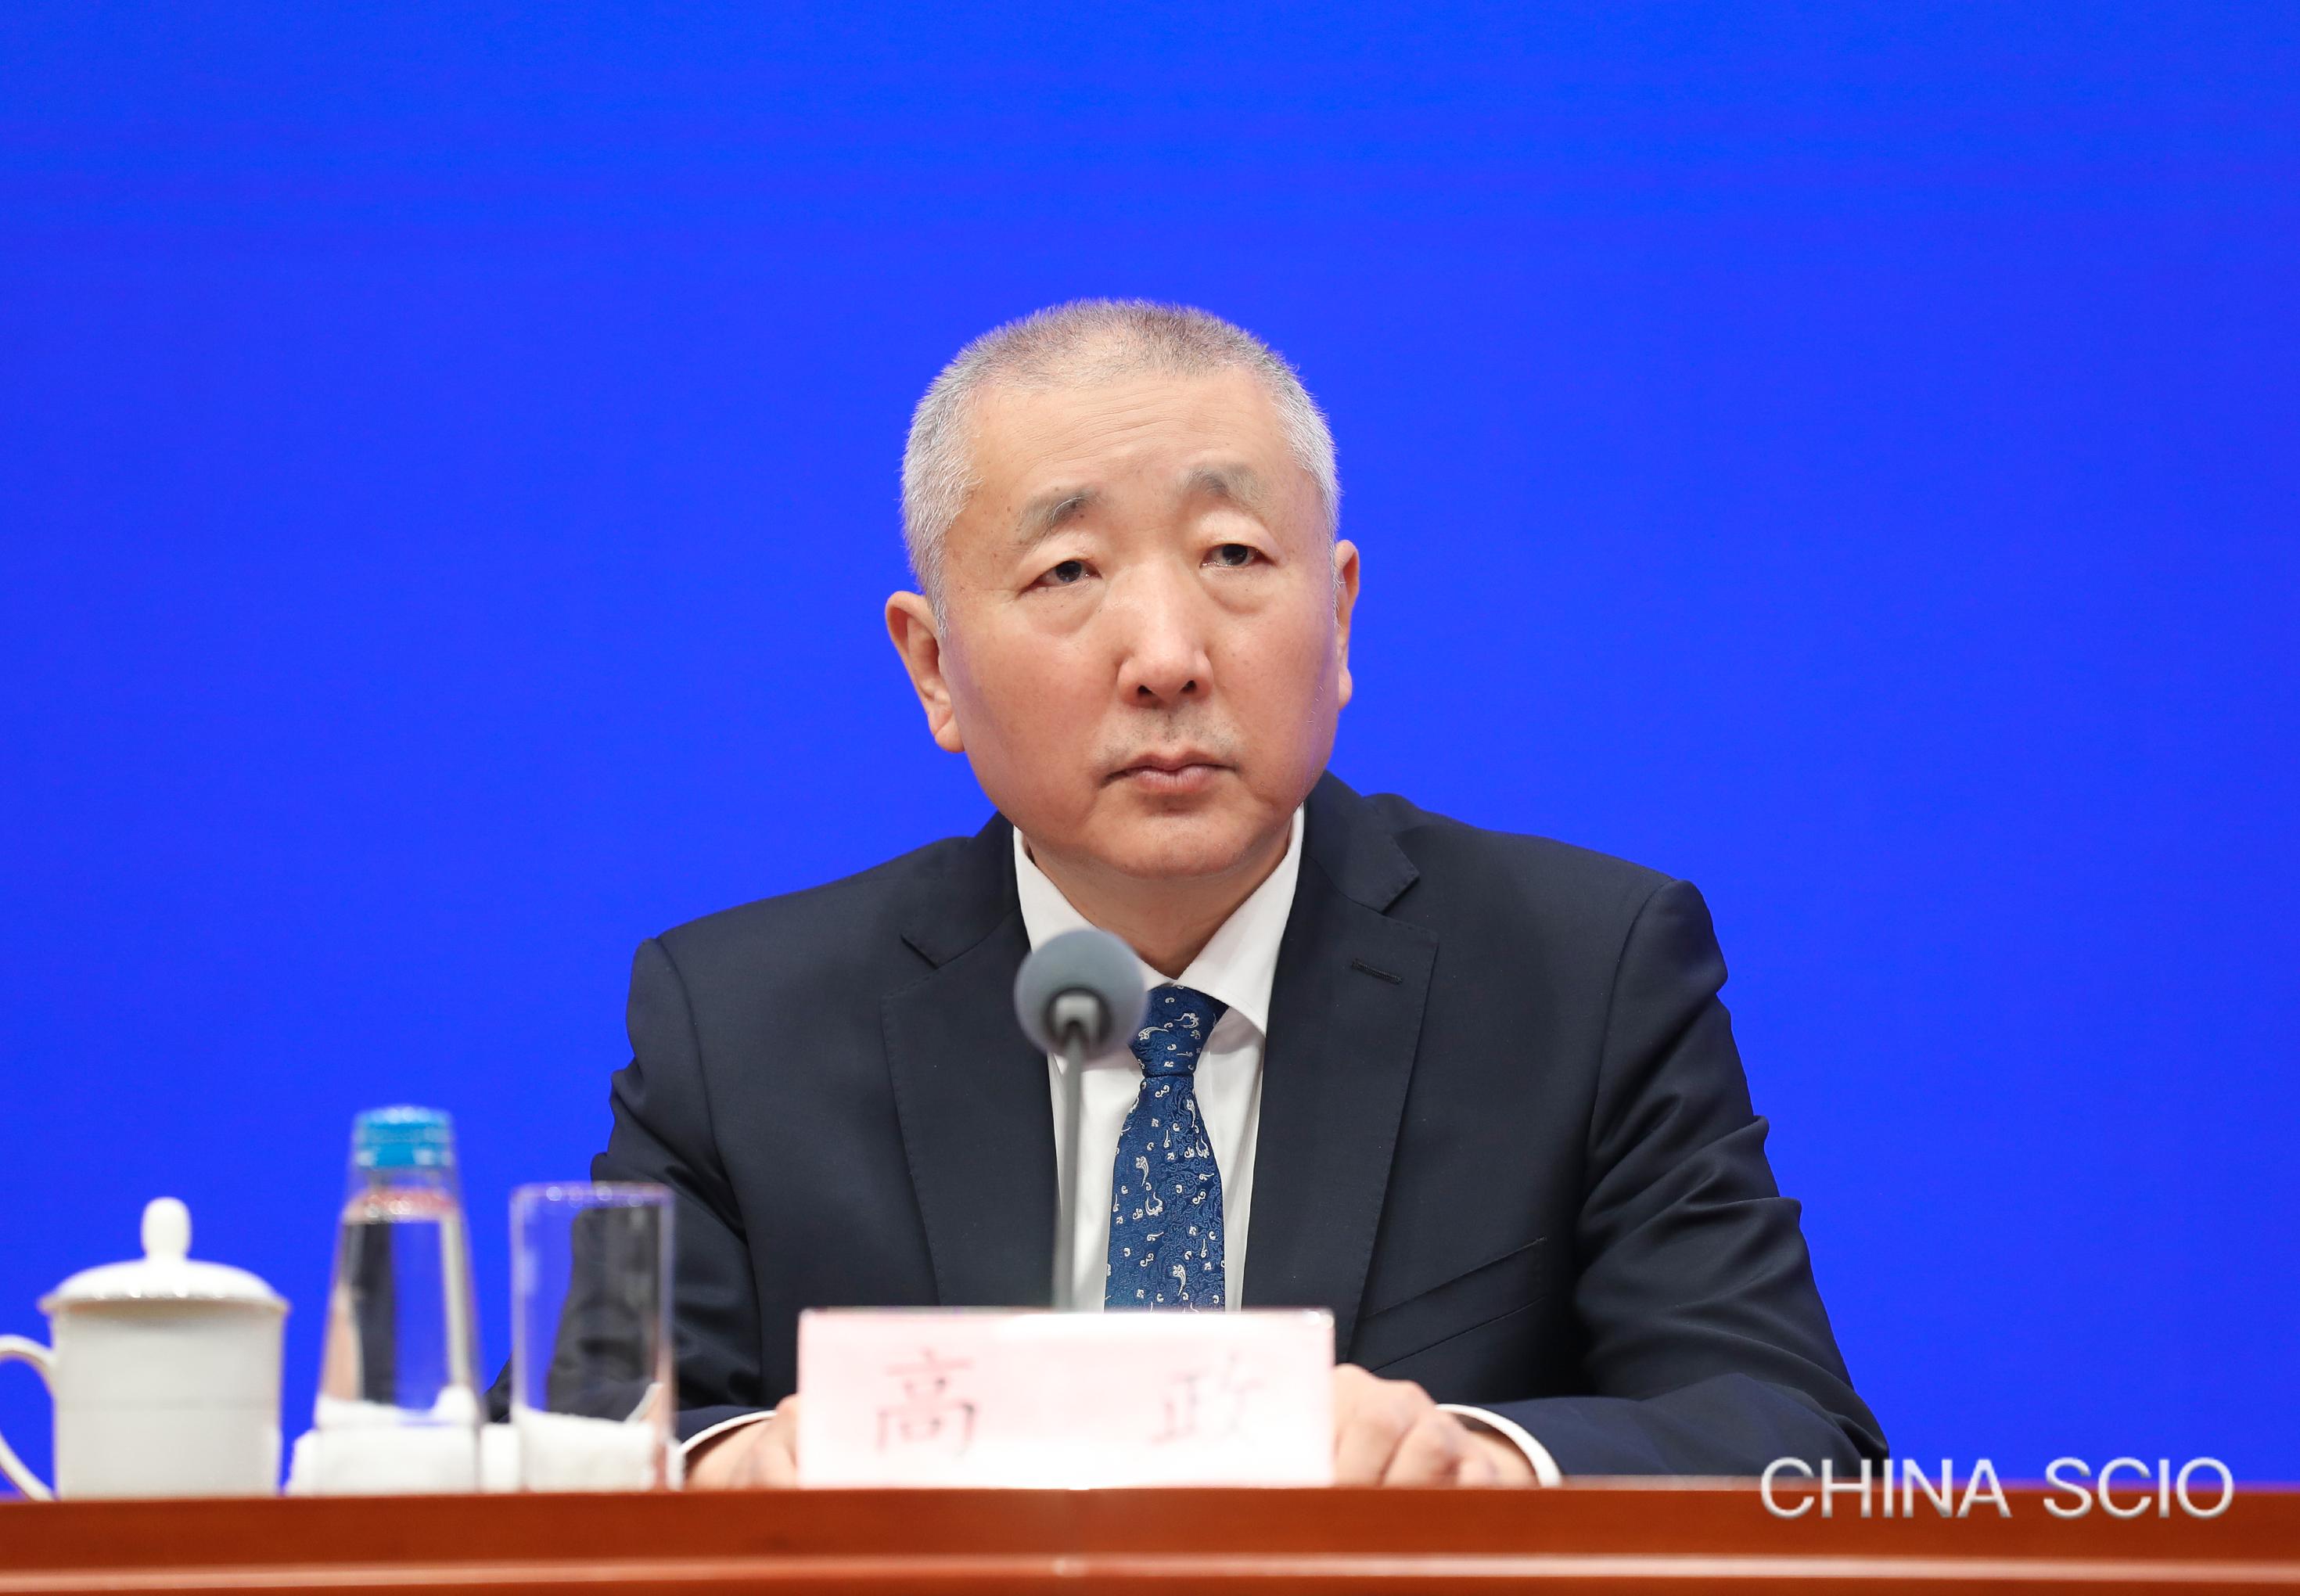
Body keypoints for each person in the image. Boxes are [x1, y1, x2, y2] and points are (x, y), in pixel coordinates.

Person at [590, 300, 1885, 1488]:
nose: (1166, 657)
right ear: (933, 666)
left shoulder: (1585, 975)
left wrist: (1484, 1464)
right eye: (1068, 572)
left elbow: (1794, 1439)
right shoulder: (734, 1024)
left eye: (1233, 553)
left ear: (1341, 616)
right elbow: (578, 1428)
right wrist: (729, 1468)